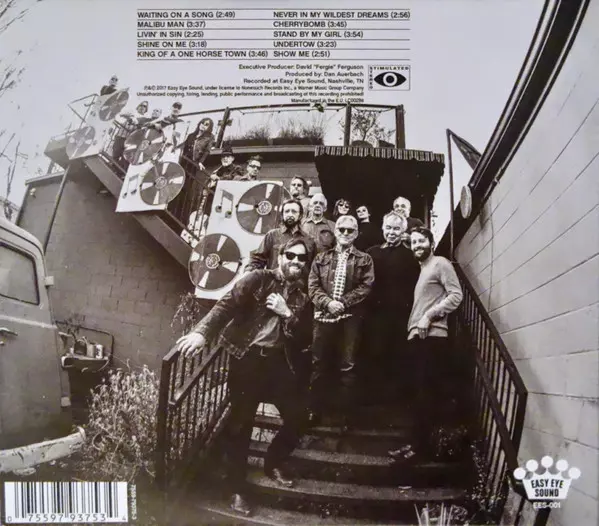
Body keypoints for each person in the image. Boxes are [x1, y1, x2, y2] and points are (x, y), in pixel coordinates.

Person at [176, 239, 313, 517]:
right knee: (240, 424)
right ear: (280, 256)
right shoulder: (258, 279)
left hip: (278, 363)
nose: (296, 262)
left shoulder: (302, 297)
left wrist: (286, 312)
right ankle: (236, 488)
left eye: (302, 258)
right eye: (291, 255)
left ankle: (273, 462)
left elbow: (304, 338)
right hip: (247, 359)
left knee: (299, 416)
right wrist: (202, 333)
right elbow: (226, 305)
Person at [389, 227, 463, 462]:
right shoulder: (423, 270)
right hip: (418, 337)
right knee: (417, 394)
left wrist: (429, 316)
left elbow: (456, 295)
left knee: (426, 394)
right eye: (413, 242)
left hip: (433, 337)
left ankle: (420, 450)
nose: (417, 246)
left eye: (421, 241)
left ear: (431, 242)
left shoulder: (440, 263)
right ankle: (414, 444)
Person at [308, 215, 374, 428]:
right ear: (335, 231)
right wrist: (328, 303)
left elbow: (366, 286)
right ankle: (315, 410)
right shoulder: (321, 258)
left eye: (350, 230)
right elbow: (313, 286)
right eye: (341, 229)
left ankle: (343, 415)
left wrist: (343, 303)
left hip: (349, 319)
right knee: (319, 363)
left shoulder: (365, 259)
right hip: (322, 317)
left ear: (356, 233)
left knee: (347, 365)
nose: (345, 233)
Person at [365, 212, 420, 402]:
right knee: (376, 351)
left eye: (396, 229)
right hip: (376, 314)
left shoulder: (411, 255)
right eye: (388, 228)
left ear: (403, 231)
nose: (391, 232)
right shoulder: (372, 253)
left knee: (398, 353)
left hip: (401, 313)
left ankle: (396, 400)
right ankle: (376, 397)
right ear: (383, 229)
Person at [246, 198, 316, 272]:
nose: (290, 214)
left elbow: (313, 268)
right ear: (282, 215)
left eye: (294, 211)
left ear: (300, 215)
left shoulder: (309, 240)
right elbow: (257, 260)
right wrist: (249, 272)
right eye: (287, 211)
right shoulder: (272, 235)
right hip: (275, 279)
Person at [111, 101, 149, 172]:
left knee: (125, 159)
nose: (142, 107)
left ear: (146, 109)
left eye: (144, 106)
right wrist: (131, 117)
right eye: (141, 105)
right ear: (138, 107)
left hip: (130, 142)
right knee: (115, 154)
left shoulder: (145, 119)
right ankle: (111, 168)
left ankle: (118, 172)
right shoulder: (132, 112)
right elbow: (121, 114)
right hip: (121, 136)